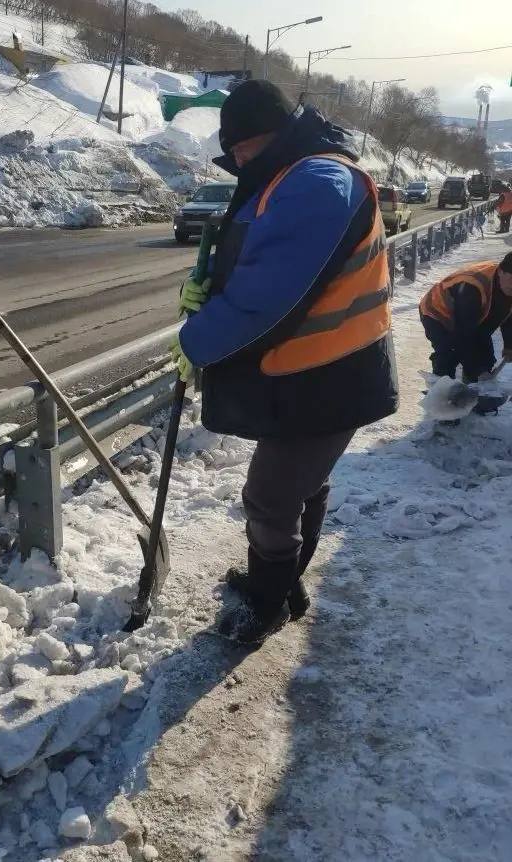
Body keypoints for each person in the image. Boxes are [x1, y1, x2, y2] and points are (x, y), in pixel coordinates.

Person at [171, 80, 399, 645]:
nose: (237, 162)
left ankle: (265, 603)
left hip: (332, 375)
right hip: (318, 372)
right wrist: (209, 294)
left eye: (240, 150)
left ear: (267, 137)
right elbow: (257, 269)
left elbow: (267, 298)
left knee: (270, 496)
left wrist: (197, 338)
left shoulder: (317, 182)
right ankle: (285, 583)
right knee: (302, 485)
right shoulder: (291, 176)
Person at [419, 253, 512, 382]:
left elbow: (507, 316)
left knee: (485, 358)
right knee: (448, 355)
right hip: (437, 312)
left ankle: (474, 387)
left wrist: (509, 344)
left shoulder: (505, 285)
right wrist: (478, 370)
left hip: (470, 316)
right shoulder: (472, 287)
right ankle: (441, 392)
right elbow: (464, 334)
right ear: (501, 271)